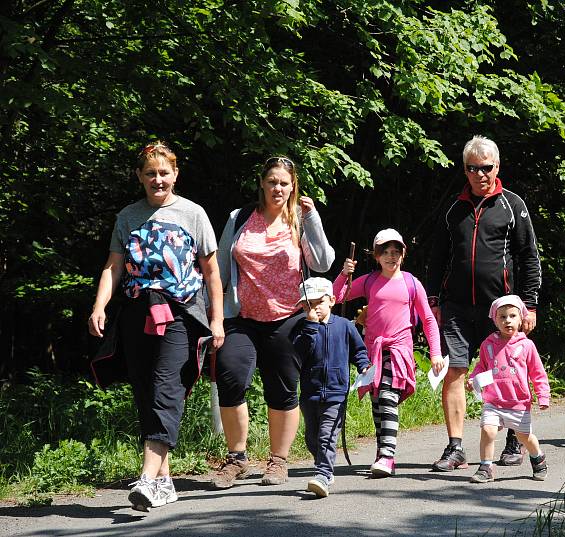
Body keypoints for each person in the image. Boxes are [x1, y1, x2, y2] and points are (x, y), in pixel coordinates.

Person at [88, 141, 225, 511]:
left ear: (175, 175)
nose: (158, 180)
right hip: (136, 312)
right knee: (145, 391)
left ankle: (147, 477)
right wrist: (100, 306)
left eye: (164, 173)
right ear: (140, 177)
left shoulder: (193, 214)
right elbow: (113, 266)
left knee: (167, 385)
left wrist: (216, 319)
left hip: (180, 313)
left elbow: (211, 271)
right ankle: (164, 482)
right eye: (150, 173)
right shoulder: (127, 217)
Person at [212, 156, 335, 488]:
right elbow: (221, 265)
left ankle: (278, 461)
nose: (277, 188)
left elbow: (323, 263)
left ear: (292, 185)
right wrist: (212, 313)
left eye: (284, 183)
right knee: (231, 375)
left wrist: (312, 220)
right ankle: (236, 459)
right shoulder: (239, 218)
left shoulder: (300, 219)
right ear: (262, 184)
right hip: (241, 317)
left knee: (282, 389)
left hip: (288, 318)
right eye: (272, 182)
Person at [428, 135, 542, 471]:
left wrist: (529, 305)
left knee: (507, 373)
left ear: (497, 167)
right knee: (455, 372)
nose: (480, 174)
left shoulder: (512, 204)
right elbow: (437, 259)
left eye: (486, 167)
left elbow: (528, 257)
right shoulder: (453, 209)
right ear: (464, 170)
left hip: (503, 309)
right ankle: (455, 448)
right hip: (457, 307)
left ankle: (513, 440)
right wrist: (433, 300)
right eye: (472, 168)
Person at [334, 228, 444, 477]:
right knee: (377, 404)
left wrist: (435, 353)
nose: (391, 257)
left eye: (396, 252)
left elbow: (427, 319)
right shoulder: (371, 280)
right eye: (385, 252)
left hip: (398, 349)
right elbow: (337, 296)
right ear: (376, 256)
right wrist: (344, 274)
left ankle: (387, 455)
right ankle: (382, 452)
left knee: (387, 397)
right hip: (373, 351)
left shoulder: (411, 283)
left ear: (403, 255)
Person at [292, 277, 370, 498]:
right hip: (310, 393)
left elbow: (359, 351)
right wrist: (309, 328)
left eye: (319, 302)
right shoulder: (302, 328)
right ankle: (323, 465)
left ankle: (323, 473)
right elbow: (297, 355)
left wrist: (363, 365)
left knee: (327, 435)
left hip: (336, 393)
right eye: (308, 304)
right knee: (312, 436)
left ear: (332, 300)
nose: (314, 308)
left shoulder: (345, 326)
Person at [467, 295, 550, 484]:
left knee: (524, 437)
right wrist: (473, 379)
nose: (507, 321)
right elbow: (482, 367)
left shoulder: (527, 345)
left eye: (512, 316)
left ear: (521, 319)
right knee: (488, 431)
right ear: (495, 320)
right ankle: (486, 467)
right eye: (502, 317)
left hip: (518, 402)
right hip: (493, 401)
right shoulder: (488, 344)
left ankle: (538, 458)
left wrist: (543, 395)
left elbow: (538, 373)